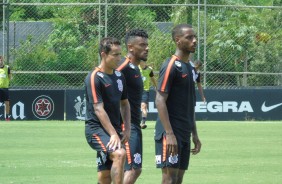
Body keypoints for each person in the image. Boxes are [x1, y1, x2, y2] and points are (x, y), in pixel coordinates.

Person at [154, 24, 202, 184]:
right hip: (170, 133)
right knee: (169, 179)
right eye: (189, 37)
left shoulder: (190, 67)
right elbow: (159, 100)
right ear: (177, 40)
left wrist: (194, 133)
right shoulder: (170, 65)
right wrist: (169, 134)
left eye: (195, 37)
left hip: (184, 132)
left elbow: (190, 104)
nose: (194, 41)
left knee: (178, 179)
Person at [84, 37, 131, 184]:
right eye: (115, 55)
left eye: (120, 54)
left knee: (104, 177)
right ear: (104, 54)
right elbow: (98, 109)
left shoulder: (119, 76)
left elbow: (125, 104)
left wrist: (127, 129)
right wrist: (113, 134)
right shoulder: (94, 77)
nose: (120, 58)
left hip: (114, 130)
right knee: (119, 154)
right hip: (96, 130)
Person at [116, 29, 149, 184]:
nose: (146, 48)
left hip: (134, 124)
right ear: (130, 47)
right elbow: (102, 83)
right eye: (142, 45)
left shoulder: (136, 68)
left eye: (147, 45)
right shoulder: (122, 67)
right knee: (134, 169)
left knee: (127, 169)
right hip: (125, 126)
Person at [139, 60, 157, 129]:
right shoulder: (136, 68)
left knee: (144, 106)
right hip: (136, 91)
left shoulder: (149, 70)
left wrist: (156, 87)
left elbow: (153, 79)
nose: (140, 62)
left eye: (142, 61)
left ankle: (143, 123)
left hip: (145, 91)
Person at [0, 55, 12, 121]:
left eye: (1, 60)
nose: (0, 61)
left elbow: (10, 77)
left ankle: (7, 117)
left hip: (5, 88)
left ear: (3, 60)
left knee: (7, 103)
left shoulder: (7, 68)